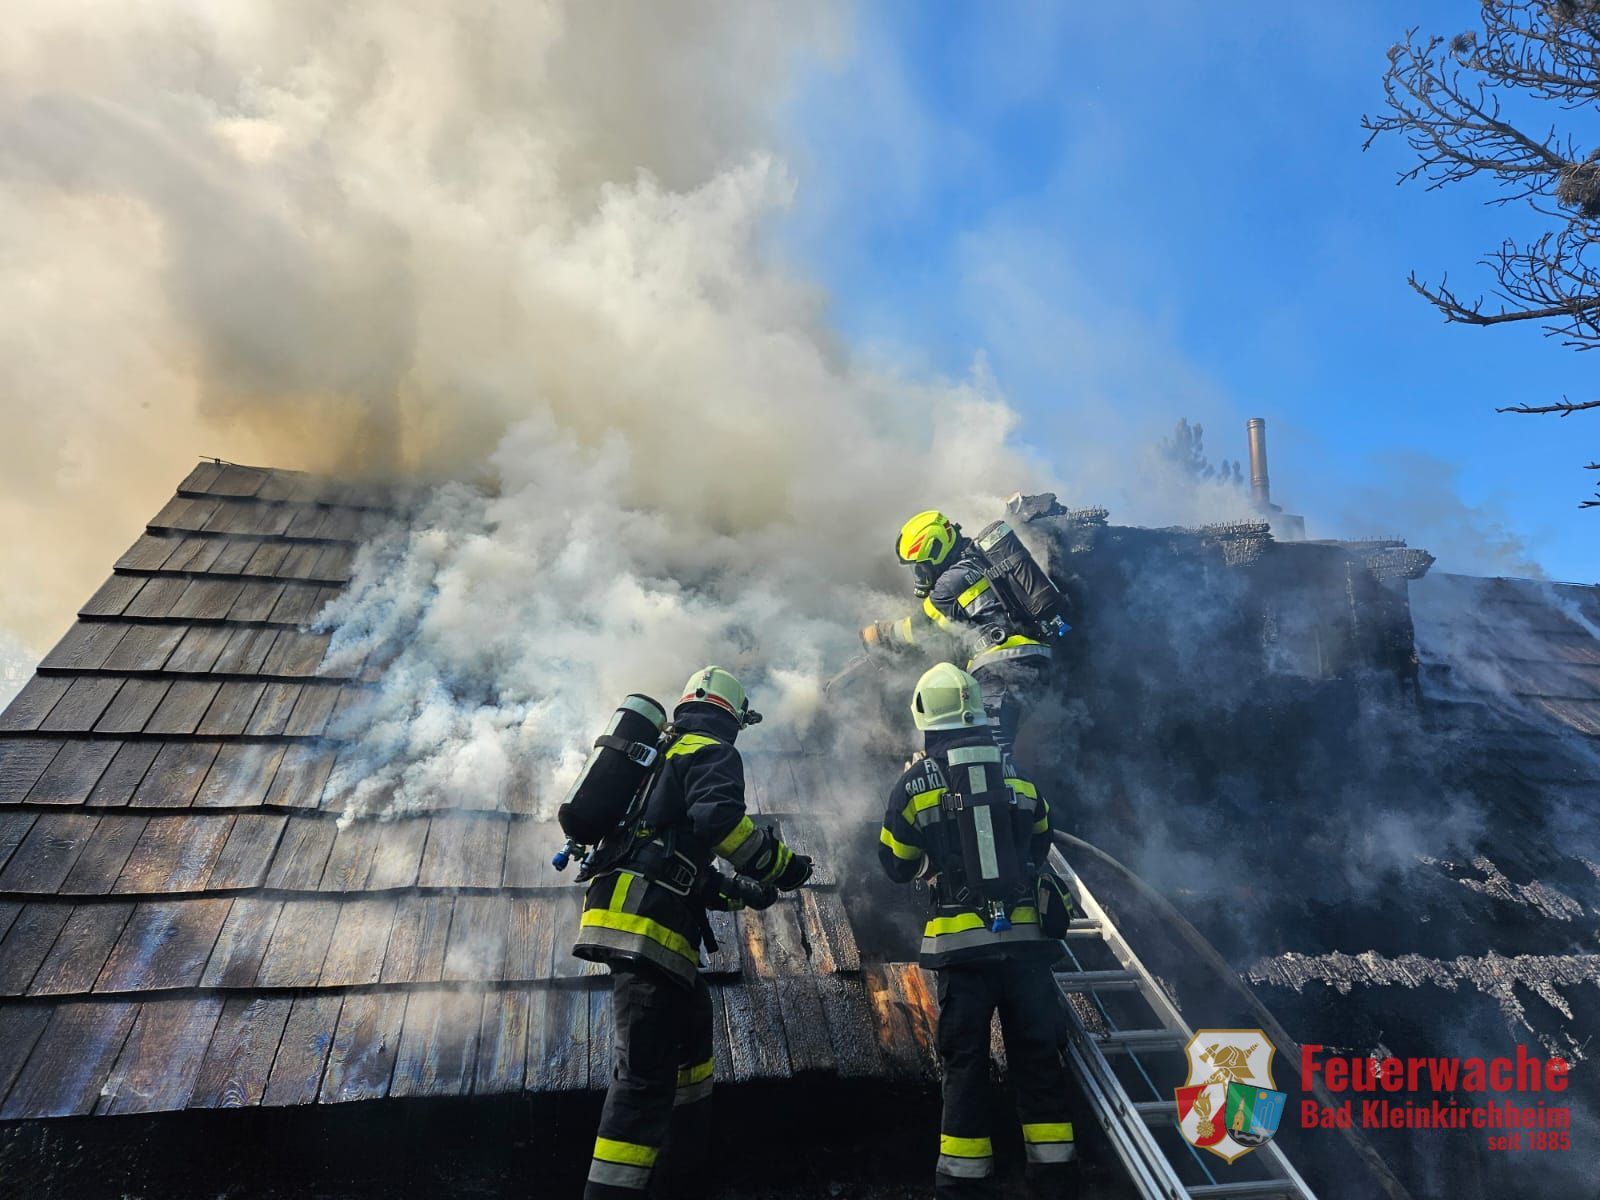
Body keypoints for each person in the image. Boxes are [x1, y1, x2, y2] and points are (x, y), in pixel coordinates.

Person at [574, 666, 814, 1198]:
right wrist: (782, 867)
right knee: (642, 1079)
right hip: (646, 929)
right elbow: (720, 824)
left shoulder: (658, 757)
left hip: (633, 915)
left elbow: (675, 860)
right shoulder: (711, 750)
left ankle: (683, 1176)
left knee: (690, 1031)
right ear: (734, 716)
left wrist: (740, 892)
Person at [878, 662, 1076, 1198]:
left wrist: (939, 860)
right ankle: (1055, 1174)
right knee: (1037, 1055)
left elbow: (895, 863)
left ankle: (963, 1181)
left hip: (963, 954)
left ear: (925, 717)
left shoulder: (915, 783)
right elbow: (1041, 841)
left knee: (964, 1063)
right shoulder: (1018, 776)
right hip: (1028, 949)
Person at [864, 509, 1054, 762]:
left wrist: (881, 633)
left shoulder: (949, 583)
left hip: (1002, 665)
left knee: (990, 750)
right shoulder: (980, 560)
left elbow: (919, 629)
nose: (919, 576)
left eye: (920, 568)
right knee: (983, 744)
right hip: (1033, 658)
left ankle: (1007, 799)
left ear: (935, 551)